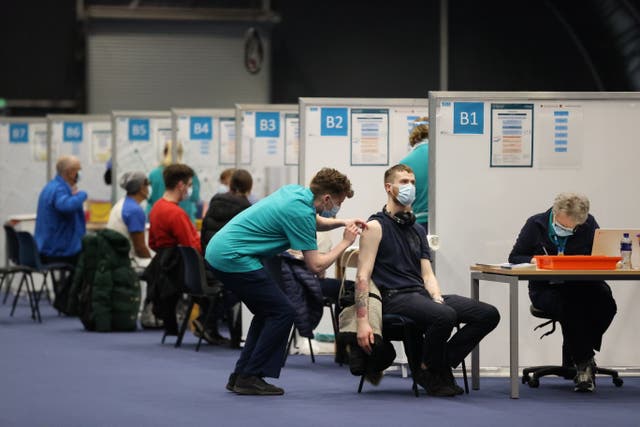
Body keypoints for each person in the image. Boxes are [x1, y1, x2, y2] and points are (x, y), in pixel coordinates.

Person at [205, 167, 365, 396]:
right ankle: (250, 376)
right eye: (338, 203)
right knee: (283, 312)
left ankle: (241, 375)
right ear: (327, 198)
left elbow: (314, 220)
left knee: (268, 312)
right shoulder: (299, 212)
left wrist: (342, 222)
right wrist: (345, 243)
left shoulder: (296, 194)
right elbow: (316, 266)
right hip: (233, 258)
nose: (338, 209)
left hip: (222, 252)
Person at [355, 164, 500, 397]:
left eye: (412, 182)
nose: (410, 187)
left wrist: (437, 297)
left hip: (420, 295)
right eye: (404, 182)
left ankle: (434, 363)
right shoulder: (375, 226)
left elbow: (427, 274)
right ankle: (429, 370)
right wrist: (363, 321)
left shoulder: (417, 230)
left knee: (487, 314)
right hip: (394, 296)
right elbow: (362, 275)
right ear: (388, 187)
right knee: (445, 316)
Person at [508, 192, 617, 393]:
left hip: (583, 285)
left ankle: (580, 352)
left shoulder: (589, 223)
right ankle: (583, 362)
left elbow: (601, 254)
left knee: (607, 305)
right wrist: (535, 260)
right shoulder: (536, 224)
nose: (570, 229)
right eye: (565, 225)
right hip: (547, 288)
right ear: (556, 213)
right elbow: (515, 256)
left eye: (575, 227)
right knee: (572, 307)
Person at [147, 164, 222, 342]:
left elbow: (152, 242)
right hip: (183, 271)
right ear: (180, 185)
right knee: (228, 286)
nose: (190, 189)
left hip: (167, 269)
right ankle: (206, 322)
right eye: (189, 185)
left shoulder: (157, 207)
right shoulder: (176, 214)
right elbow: (193, 245)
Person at [200, 169, 253, 347]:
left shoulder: (215, 202)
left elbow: (203, 235)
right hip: (226, 270)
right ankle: (236, 333)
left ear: (229, 185)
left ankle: (207, 322)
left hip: (207, 265)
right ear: (249, 188)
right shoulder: (246, 209)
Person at [35, 155, 87, 267]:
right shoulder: (59, 189)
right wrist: (81, 195)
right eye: (78, 170)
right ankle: (70, 285)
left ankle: (67, 284)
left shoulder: (51, 186)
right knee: (92, 260)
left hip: (47, 247)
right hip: (59, 251)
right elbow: (66, 206)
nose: (79, 174)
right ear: (70, 173)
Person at [146, 141, 201, 224]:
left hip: (158, 219)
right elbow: (195, 197)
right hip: (184, 220)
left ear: (164, 153)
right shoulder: (188, 174)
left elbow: (149, 199)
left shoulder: (154, 174)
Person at [106, 171, 152, 267]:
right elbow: (140, 248)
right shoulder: (134, 210)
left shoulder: (122, 204)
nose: (149, 188)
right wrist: (153, 263)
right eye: (147, 184)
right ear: (141, 188)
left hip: (114, 258)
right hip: (127, 263)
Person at [399, 117, 429, 233]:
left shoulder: (405, 163)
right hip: (444, 221)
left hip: (419, 222)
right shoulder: (444, 156)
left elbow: (402, 200)